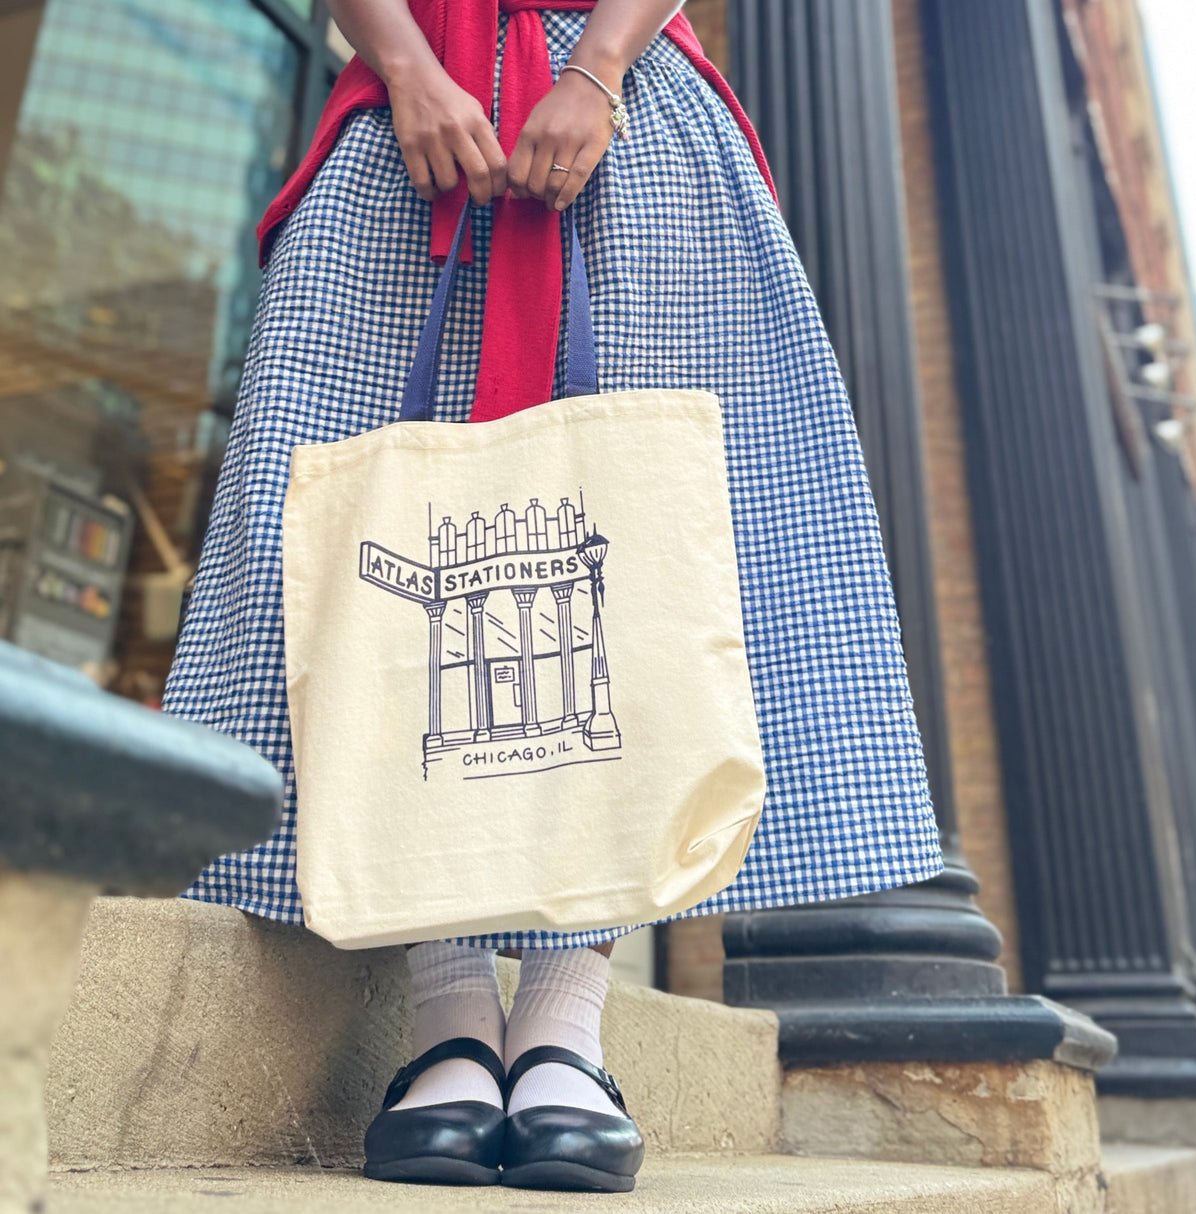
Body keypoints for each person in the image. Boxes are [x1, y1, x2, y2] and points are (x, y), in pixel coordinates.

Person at [161, 0, 945, 1195]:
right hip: (411, 121)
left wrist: (595, 66)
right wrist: (409, 65)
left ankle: (566, 1023)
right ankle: (450, 1012)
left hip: (618, 116)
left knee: (625, 556)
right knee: (373, 554)